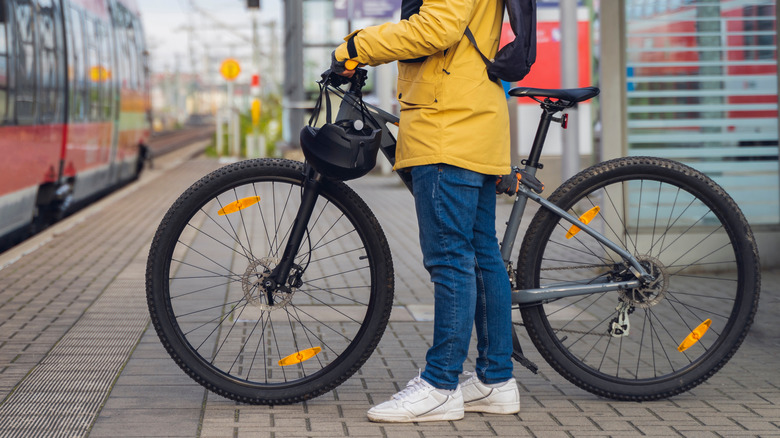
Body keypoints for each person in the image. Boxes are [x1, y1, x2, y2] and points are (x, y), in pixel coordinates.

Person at [331, 0, 520, 423]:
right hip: (471, 120)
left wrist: (355, 47)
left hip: (446, 126)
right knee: (480, 255)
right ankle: (496, 379)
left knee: (451, 259)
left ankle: (440, 385)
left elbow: (436, 28)